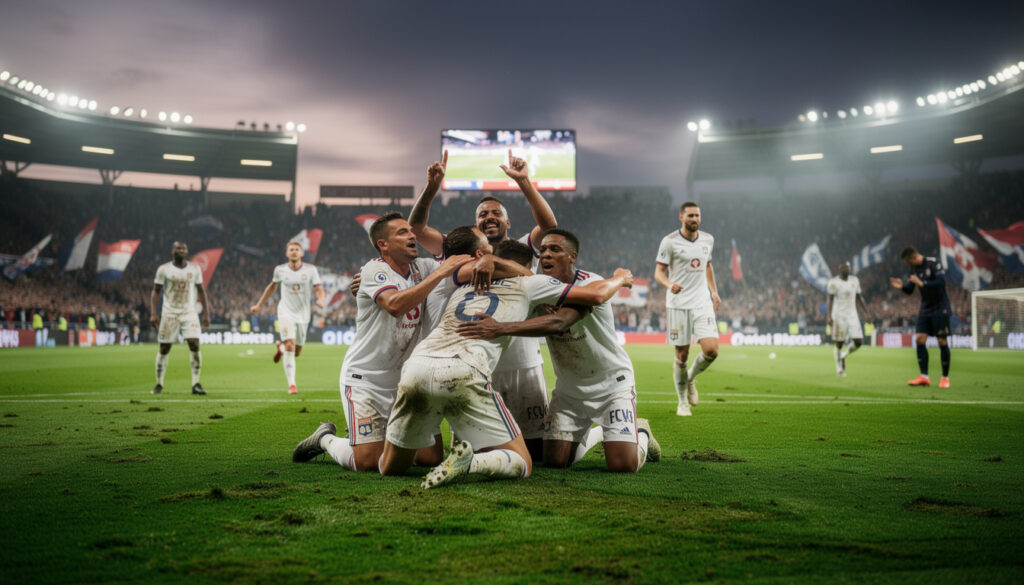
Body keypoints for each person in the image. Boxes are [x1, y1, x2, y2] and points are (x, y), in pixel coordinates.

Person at [382, 238, 644, 488]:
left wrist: (488, 260)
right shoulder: (531, 283)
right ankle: (471, 462)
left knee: (389, 467)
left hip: (417, 365)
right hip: (464, 370)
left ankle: (339, 443)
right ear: (525, 267)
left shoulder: (459, 283)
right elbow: (593, 297)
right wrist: (621, 277)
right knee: (525, 462)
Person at [292, 225, 533, 474]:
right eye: (485, 251)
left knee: (429, 457)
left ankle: (376, 436)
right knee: (367, 462)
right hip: (369, 377)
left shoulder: (427, 267)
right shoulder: (447, 270)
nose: (412, 236)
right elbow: (396, 301)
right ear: (473, 256)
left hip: (409, 374)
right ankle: (326, 439)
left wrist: (488, 260)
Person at [457, 231, 662, 474]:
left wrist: (500, 328)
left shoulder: (588, 284)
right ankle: (597, 434)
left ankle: (641, 433)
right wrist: (491, 261)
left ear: (572, 256)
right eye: (542, 250)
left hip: (611, 384)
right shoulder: (539, 288)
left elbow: (560, 322)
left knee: (622, 465)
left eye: (554, 249)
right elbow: (523, 276)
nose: (546, 254)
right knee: (555, 460)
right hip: (569, 390)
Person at [407, 149, 559, 461]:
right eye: (482, 215)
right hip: (474, 359)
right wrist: (431, 189)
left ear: (507, 221)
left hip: (522, 359)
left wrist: (525, 182)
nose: (488, 217)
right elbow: (418, 231)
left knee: (539, 452)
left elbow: (548, 225)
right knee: (474, 447)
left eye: (495, 213)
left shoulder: (520, 247)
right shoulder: (465, 249)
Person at [653, 202, 722, 417]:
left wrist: (714, 291)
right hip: (678, 303)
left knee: (711, 350)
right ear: (681, 217)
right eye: (691, 215)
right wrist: (669, 284)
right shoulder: (669, 242)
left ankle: (690, 377)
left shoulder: (708, 239)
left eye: (698, 215)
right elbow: (658, 273)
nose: (695, 219)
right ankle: (682, 402)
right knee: (681, 354)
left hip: (702, 302)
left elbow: (708, 265)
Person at [249, 241, 326, 394]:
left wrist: (321, 299)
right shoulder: (280, 270)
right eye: (291, 249)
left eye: (297, 249)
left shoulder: (311, 270)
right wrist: (258, 305)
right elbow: (271, 287)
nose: (294, 252)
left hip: (303, 314)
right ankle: (292, 385)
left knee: (297, 351)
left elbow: (319, 289)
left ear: (302, 253)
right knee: (291, 344)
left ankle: (281, 347)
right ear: (287, 253)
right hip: (285, 311)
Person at [150, 241, 210, 395]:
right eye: (178, 248)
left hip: (189, 312)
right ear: (173, 251)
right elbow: (156, 291)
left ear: (187, 251)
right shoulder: (164, 269)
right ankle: (159, 383)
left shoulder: (195, 269)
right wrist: (153, 313)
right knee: (164, 348)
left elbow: (201, 291)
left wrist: (206, 314)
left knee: (194, 344)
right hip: (169, 312)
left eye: (183, 248)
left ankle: (196, 383)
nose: (181, 250)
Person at [890, 247, 952, 388]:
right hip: (926, 308)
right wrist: (901, 287)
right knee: (919, 338)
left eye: (907, 262)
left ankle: (945, 378)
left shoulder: (933, 263)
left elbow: (941, 282)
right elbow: (910, 290)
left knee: (942, 341)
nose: (907, 266)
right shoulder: (914, 270)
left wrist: (923, 284)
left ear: (913, 257)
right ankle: (924, 376)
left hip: (940, 307)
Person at [827, 262, 869, 376]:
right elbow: (830, 299)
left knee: (858, 342)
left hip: (852, 315)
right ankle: (839, 369)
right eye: (844, 267)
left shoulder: (854, 280)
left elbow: (859, 297)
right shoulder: (833, 283)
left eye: (848, 267)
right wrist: (829, 316)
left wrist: (866, 313)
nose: (847, 269)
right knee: (839, 343)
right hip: (839, 316)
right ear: (840, 270)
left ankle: (844, 355)